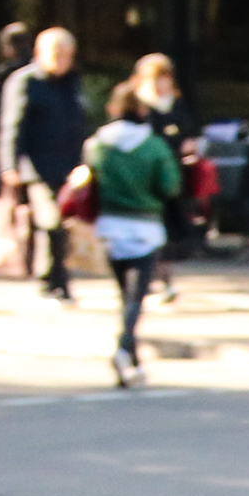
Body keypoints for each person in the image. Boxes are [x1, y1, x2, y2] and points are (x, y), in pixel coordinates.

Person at [85, 80, 182, 387]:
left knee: (123, 296)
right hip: (145, 226)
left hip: (110, 225)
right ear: (141, 110)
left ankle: (133, 362)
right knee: (136, 296)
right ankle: (124, 347)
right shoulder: (154, 145)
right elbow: (170, 186)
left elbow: (91, 175)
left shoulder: (98, 144)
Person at [0, 25, 87, 302]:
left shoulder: (72, 81)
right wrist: (9, 164)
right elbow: (12, 125)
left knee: (65, 224)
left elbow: (79, 122)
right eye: (56, 54)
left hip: (70, 164)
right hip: (38, 165)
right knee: (52, 222)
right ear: (40, 53)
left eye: (67, 55)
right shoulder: (25, 81)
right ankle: (56, 281)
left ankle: (51, 277)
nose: (62, 60)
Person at [131, 53, 198, 301]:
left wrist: (188, 145)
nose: (161, 85)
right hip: (145, 179)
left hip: (172, 179)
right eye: (155, 79)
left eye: (165, 79)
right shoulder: (139, 108)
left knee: (167, 230)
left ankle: (164, 280)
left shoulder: (177, 106)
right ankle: (148, 280)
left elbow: (188, 133)